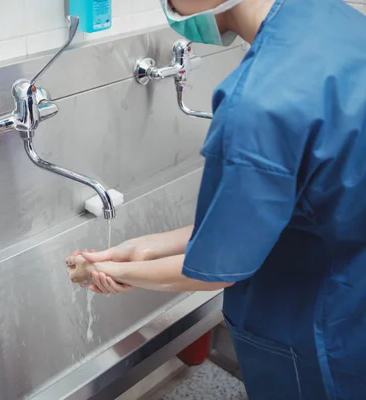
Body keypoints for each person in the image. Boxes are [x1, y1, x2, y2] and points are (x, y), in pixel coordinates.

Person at [65, 0, 366, 398]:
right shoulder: (335, 18)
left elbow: (222, 267)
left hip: (317, 326)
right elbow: (274, 211)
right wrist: (140, 249)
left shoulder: (261, 100)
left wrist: (114, 274)